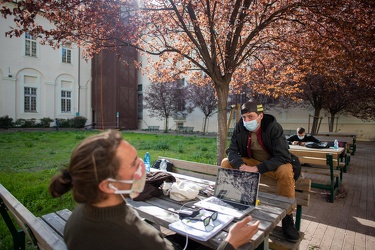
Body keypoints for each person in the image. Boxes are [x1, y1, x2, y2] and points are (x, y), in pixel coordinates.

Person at [49, 130, 259, 250]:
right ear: (107, 185)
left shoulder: (80, 215)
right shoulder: (137, 238)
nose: (142, 167)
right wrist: (230, 243)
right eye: (133, 164)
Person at [221, 100, 300, 243]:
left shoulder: (273, 127)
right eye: (244, 117)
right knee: (225, 162)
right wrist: (241, 165)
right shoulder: (240, 127)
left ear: (260, 116)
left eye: (250, 117)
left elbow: (283, 156)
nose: (246, 121)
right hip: (251, 162)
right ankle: (233, 203)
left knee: (286, 171)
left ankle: (287, 217)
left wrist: (257, 168)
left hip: (273, 164)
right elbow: (231, 151)